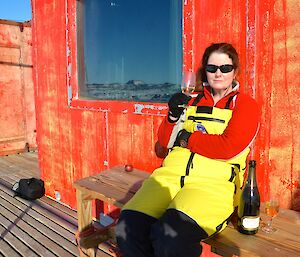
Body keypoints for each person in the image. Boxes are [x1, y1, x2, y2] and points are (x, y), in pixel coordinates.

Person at [115, 42, 260, 257]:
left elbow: (228, 147)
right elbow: (165, 142)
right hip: (168, 178)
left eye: (225, 68)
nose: (218, 74)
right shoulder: (191, 100)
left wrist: (185, 138)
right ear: (205, 71)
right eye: (212, 68)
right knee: (127, 228)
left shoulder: (245, 105)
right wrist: (173, 116)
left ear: (234, 71)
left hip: (212, 186)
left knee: (170, 235)